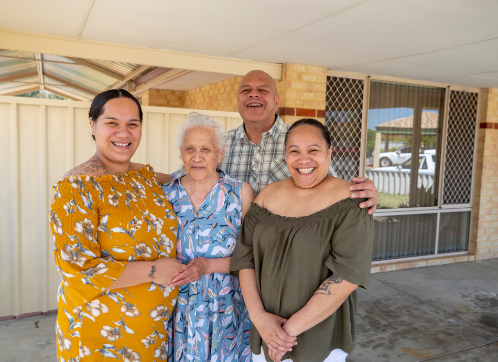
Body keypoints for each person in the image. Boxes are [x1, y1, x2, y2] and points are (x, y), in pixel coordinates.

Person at [49, 89, 186, 361]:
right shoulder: (76, 188)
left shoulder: (147, 178)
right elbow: (78, 270)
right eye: (112, 123)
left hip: (151, 334)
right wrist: (154, 271)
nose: (123, 133)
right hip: (99, 335)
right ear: (93, 124)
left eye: (132, 124)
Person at [230, 118, 374, 362]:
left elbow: (347, 276)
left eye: (313, 150)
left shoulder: (352, 200)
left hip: (317, 339)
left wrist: (286, 334)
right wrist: (260, 319)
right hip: (265, 333)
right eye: (294, 151)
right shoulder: (266, 196)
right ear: (285, 155)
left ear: (330, 152)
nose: (303, 159)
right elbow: (245, 259)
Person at [170, 70, 378, 212]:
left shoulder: (299, 143)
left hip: (281, 251)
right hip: (229, 255)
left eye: (263, 90)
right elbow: (182, 176)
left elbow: (331, 186)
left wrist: (364, 193)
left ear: (276, 102)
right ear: (238, 102)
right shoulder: (221, 144)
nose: (253, 95)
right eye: (246, 91)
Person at [162, 113, 254, 362]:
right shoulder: (164, 195)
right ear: (181, 152)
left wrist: (209, 266)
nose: (197, 157)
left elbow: (254, 257)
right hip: (177, 310)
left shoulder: (240, 194)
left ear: (220, 153)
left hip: (226, 311)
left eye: (206, 149)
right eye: (190, 148)